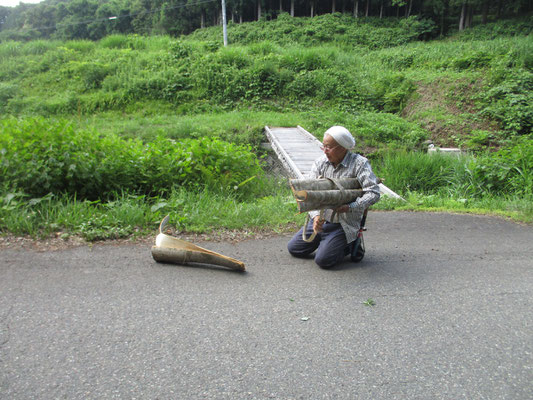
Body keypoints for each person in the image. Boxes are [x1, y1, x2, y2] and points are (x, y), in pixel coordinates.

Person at [287, 126, 380, 269]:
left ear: (343, 147)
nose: (325, 151)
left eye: (329, 147)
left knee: (323, 261)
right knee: (295, 248)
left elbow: (373, 192)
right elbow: (310, 195)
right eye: (323, 146)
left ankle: (350, 243)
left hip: (343, 223)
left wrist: (351, 207)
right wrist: (316, 217)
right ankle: (327, 241)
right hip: (322, 220)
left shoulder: (359, 163)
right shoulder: (320, 163)